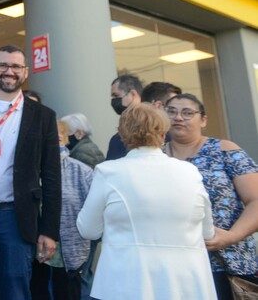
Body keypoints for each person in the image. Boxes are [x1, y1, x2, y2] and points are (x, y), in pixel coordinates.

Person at [77, 103, 216, 300]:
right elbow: (207, 231)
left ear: (123, 136)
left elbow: (88, 229)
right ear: (163, 134)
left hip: (126, 282)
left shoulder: (108, 172)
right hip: (188, 284)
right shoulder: (189, 171)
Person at [0, 45, 61, 300]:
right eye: (3, 66)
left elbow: (52, 177)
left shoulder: (43, 116)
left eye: (15, 67)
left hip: (14, 217)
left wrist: (49, 230)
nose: (9, 72)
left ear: (25, 72)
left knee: (16, 292)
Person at [164, 93, 258, 300]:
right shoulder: (155, 157)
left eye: (187, 113)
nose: (178, 117)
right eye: (171, 112)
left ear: (203, 120)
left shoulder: (225, 150)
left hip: (228, 264)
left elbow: (256, 201)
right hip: (175, 267)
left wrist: (231, 236)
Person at [30, 120, 92, 300]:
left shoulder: (81, 171)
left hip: (70, 251)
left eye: (56, 139)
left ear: (65, 140)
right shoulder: (28, 170)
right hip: (32, 248)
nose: (51, 145)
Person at [106, 74, 142, 160]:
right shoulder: (116, 140)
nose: (114, 100)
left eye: (116, 95)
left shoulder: (154, 130)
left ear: (133, 94)